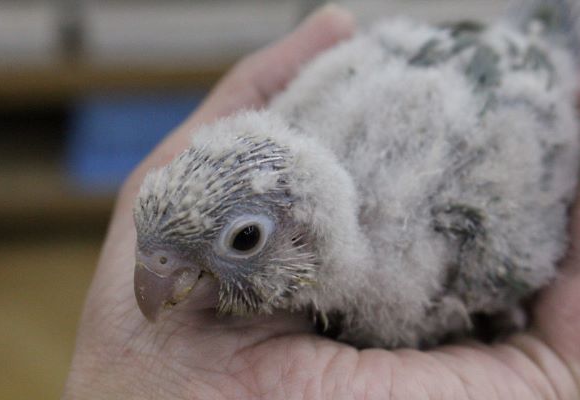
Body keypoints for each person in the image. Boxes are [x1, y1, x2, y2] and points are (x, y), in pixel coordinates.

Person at [63, 5, 580, 399]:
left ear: (312, 234)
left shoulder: (463, 227)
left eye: (245, 238)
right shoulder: (308, 112)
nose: (153, 274)